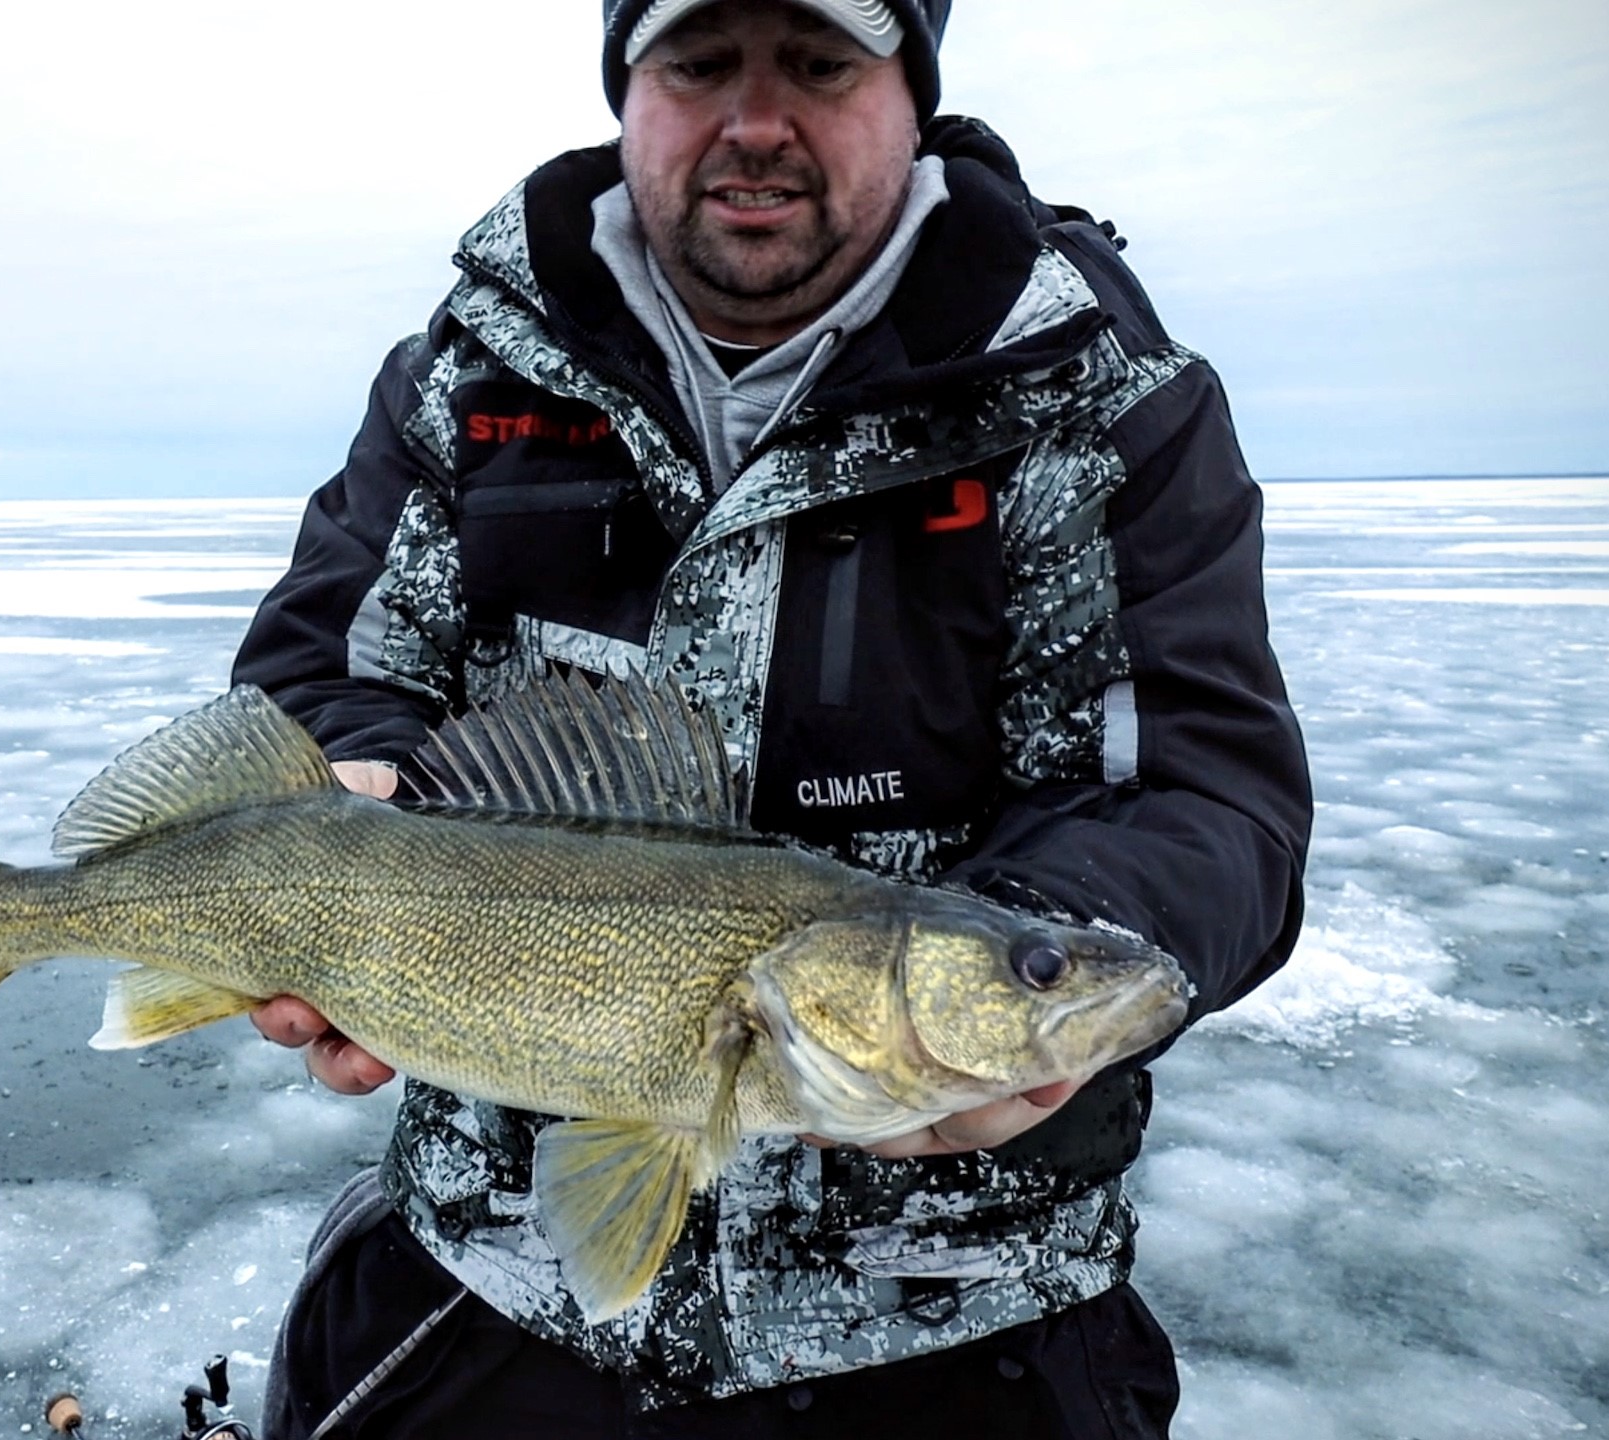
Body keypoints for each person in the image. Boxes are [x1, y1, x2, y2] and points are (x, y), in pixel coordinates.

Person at [230, 1, 1312, 1434]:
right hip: (491, 1281)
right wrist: (343, 772)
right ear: (627, 89)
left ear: (912, 92)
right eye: (698, 64)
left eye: (817, 63)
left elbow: (1197, 791)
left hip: (962, 1317)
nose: (754, 123)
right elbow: (329, 666)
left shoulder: (1095, 400)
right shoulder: (466, 381)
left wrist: (1039, 943)